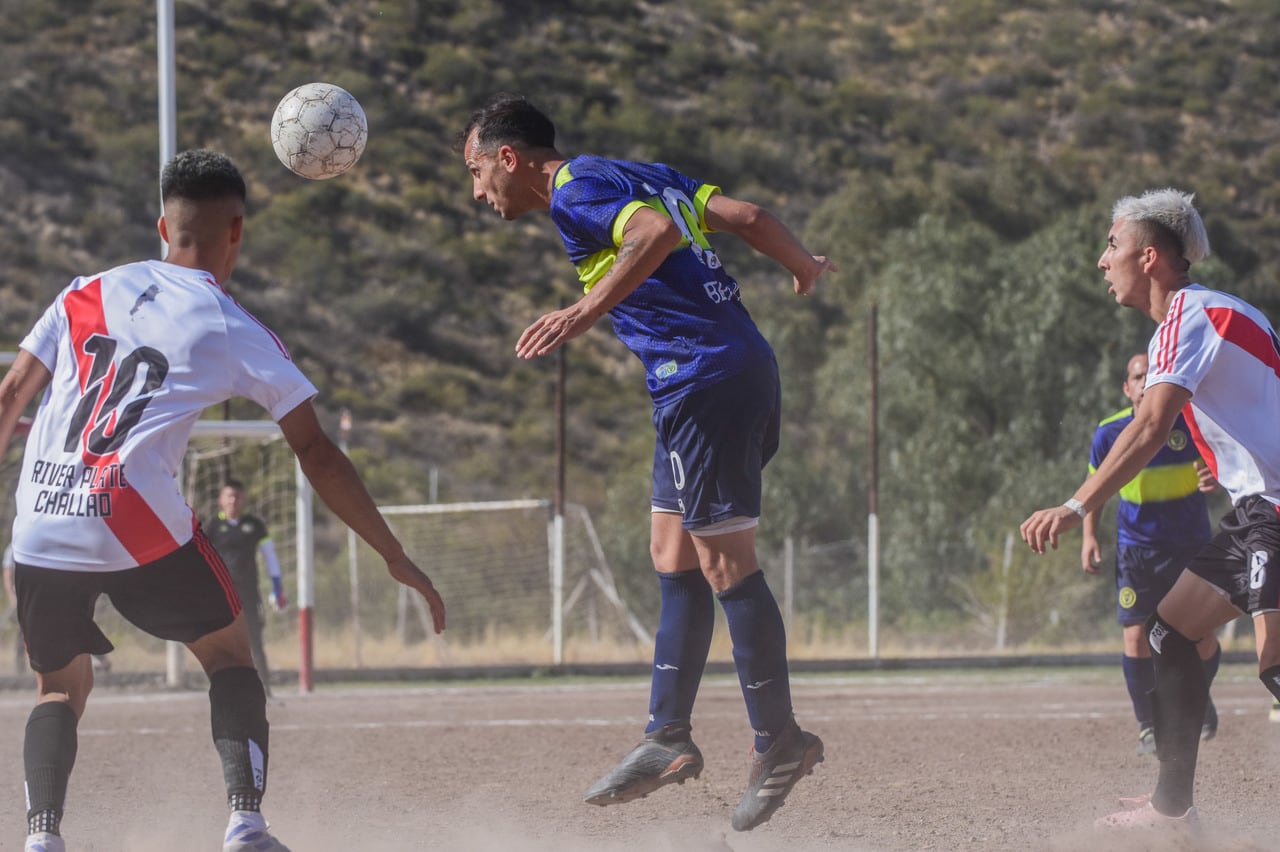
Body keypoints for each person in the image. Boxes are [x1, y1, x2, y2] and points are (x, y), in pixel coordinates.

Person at [0, 149, 446, 852]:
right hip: (132, 518)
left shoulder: (84, 291)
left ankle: (41, 835)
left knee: (58, 690)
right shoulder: (232, 324)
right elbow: (317, 452)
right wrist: (393, 554)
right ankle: (245, 821)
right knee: (233, 658)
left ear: (161, 226)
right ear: (236, 231)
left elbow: (8, 398)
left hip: (41, 525)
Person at [459, 93, 834, 833]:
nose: (477, 192)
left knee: (726, 562)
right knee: (673, 555)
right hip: (699, 379)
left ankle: (781, 741)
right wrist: (803, 266)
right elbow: (748, 216)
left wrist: (579, 312)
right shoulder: (634, 171)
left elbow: (657, 234)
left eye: (476, 171)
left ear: (510, 158)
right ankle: (667, 737)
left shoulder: (577, 190)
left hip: (706, 377)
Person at [1021, 187, 1280, 833]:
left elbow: (1147, 426)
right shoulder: (1210, 314)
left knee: (1274, 666)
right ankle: (1173, 808)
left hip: (1274, 511)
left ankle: (1173, 809)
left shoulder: (1190, 316)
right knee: (1171, 632)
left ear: (1151, 257)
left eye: (1113, 245)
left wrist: (1077, 503)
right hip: (1258, 512)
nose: (1102, 260)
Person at [1081, 352, 1222, 756]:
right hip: (1136, 551)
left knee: (1200, 636)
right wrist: (1089, 537)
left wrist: (1215, 473)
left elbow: (1224, 462)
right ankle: (1148, 725)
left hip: (1190, 544)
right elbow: (1096, 488)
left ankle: (1199, 697)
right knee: (1135, 635)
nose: (1145, 383)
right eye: (1138, 377)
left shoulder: (1190, 420)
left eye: (1152, 375)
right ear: (1127, 388)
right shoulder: (1109, 433)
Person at [206, 479, 287, 697]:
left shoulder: (255, 525)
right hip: (221, 594)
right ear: (220, 500)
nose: (233, 500)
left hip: (250, 593)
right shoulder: (212, 527)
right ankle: (225, 691)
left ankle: (265, 689)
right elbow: (201, 559)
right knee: (221, 642)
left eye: (237, 496)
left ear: (244, 499)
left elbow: (269, 555)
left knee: (254, 640)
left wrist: (277, 586)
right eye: (229, 496)